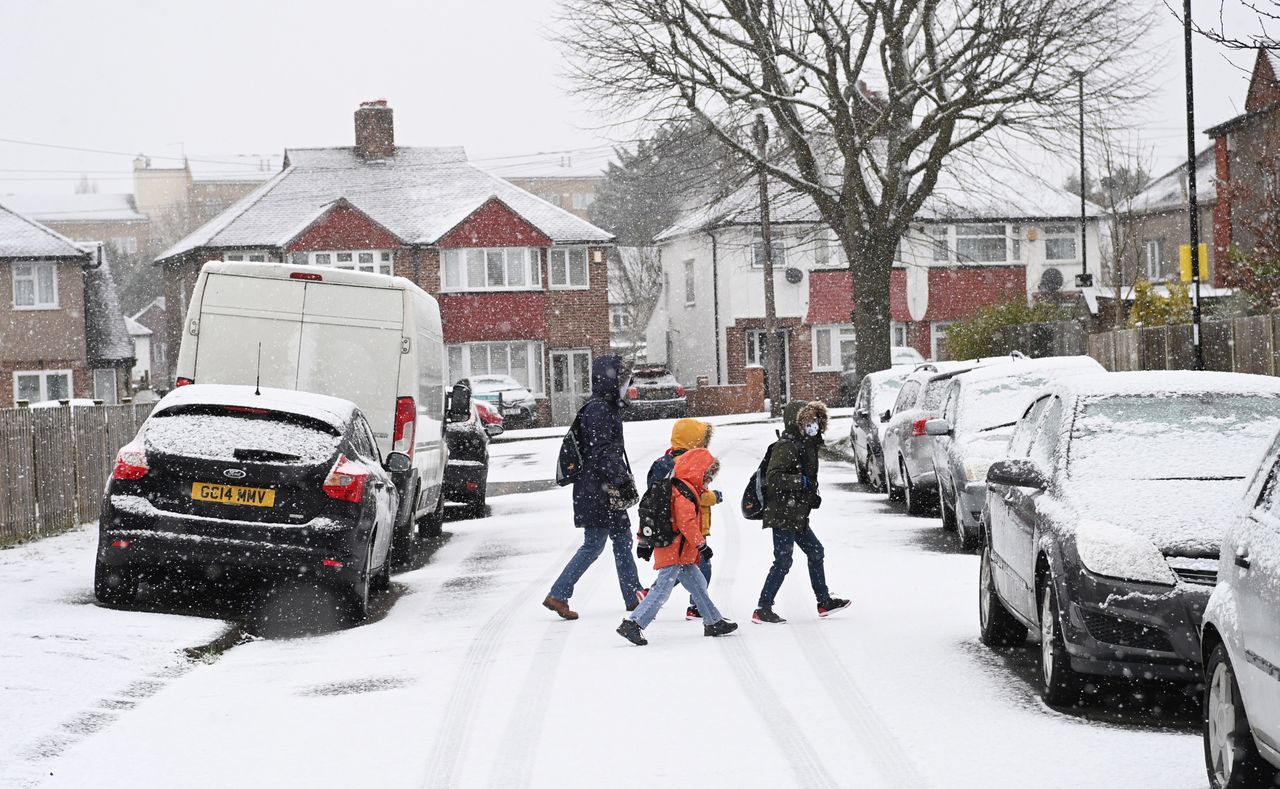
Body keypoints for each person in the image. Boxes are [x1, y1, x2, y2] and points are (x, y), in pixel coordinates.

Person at [543, 355, 646, 620]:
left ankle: (563, 593)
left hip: (596, 488)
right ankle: (630, 595)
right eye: (623, 381)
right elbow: (603, 452)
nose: (626, 387)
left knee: (608, 542)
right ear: (611, 381)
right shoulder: (599, 409)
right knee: (604, 543)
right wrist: (621, 480)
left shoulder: (602, 406)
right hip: (601, 490)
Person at [618, 447, 737, 645]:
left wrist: (644, 540)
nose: (708, 480)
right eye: (707, 475)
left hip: (679, 552)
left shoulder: (676, 487)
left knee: (698, 585)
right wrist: (701, 545)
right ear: (698, 471)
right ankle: (634, 624)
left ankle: (713, 621)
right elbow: (686, 523)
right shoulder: (683, 492)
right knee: (662, 590)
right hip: (675, 551)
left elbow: (651, 514)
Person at [752, 400, 850, 624]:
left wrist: (809, 493)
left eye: (815, 419)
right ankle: (762, 608)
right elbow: (774, 478)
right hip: (782, 512)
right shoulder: (786, 445)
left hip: (796, 512)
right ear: (796, 422)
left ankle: (824, 601)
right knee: (783, 560)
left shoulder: (808, 444)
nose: (813, 424)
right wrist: (801, 482)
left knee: (816, 551)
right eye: (807, 420)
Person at [644, 419, 720, 620]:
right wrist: (714, 497)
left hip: (674, 527)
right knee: (686, 570)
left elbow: (654, 495)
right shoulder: (687, 464)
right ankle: (639, 617)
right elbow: (690, 497)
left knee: (685, 570)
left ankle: (710, 617)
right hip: (684, 528)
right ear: (694, 441)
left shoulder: (663, 462)